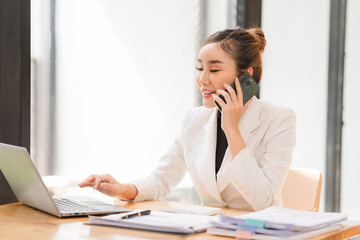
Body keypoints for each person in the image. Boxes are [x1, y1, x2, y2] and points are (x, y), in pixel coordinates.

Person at [79, 27, 296, 211]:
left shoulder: (278, 119)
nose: (202, 79)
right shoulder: (194, 119)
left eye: (214, 69)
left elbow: (264, 202)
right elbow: (161, 179)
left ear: (245, 76)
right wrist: (123, 188)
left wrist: (232, 129)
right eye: (200, 68)